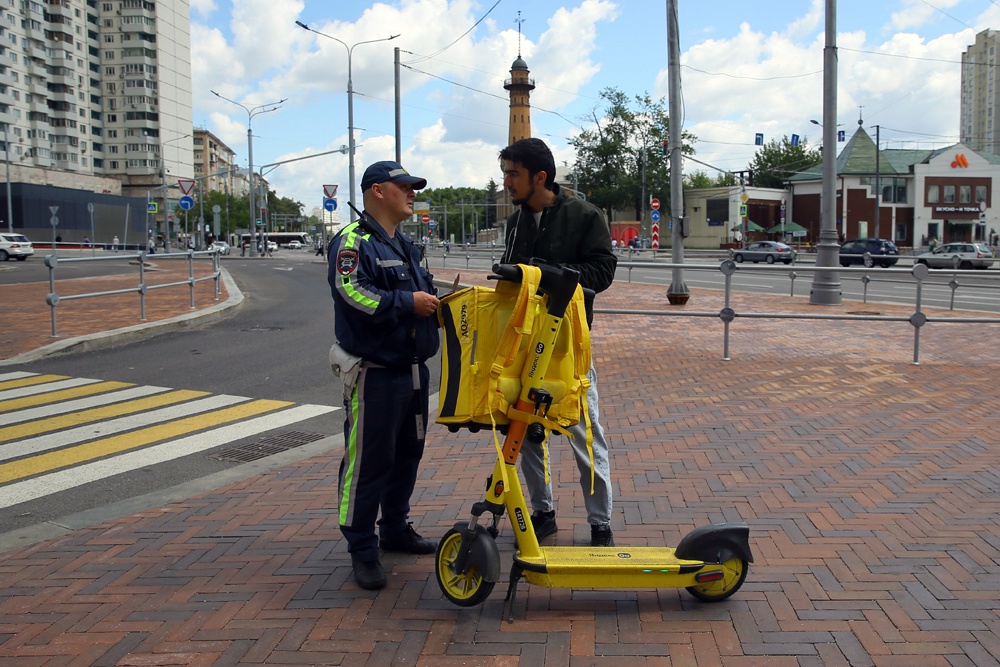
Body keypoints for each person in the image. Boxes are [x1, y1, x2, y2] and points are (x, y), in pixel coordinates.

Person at [498, 137, 618, 547]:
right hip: (525, 347)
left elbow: (602, 273)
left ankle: (600, 523)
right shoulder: (514, 223)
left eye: (513, 174)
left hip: (569, 348)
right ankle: (542, 513)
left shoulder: (584, 215)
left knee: (585, 433)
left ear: (540, 177)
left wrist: (548, 273)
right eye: (505, 174)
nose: (507, 183)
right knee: (525, 431)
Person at [327, 160, 440, 590]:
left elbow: (421, 292)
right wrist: (408, 304)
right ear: (377, 191)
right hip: (374, 374)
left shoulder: (404, 244)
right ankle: (362, 547)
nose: (411, 193)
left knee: (406, 455)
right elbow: (352, 293)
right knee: (368, 462)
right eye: (404, 186)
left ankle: (394, 526)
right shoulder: (354, 243)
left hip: (413, 372)